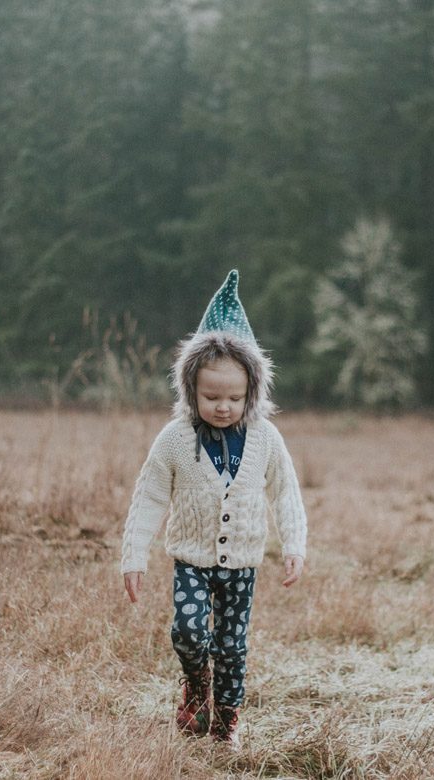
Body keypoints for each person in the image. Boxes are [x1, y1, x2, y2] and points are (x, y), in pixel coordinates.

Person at [120, 269, 307, 747]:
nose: (223, 406)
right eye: (211, 397)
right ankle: (195, 684)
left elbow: (285, 491)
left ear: (252, 393)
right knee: (187, 631)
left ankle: (225, 723)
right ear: (190, 390)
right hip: (192, 560)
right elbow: (150, 496)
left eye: (235, 397)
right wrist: (134, 556)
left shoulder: (266, 439)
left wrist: (294, 545)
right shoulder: (175, 439)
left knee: (231, 646)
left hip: (242, 563)